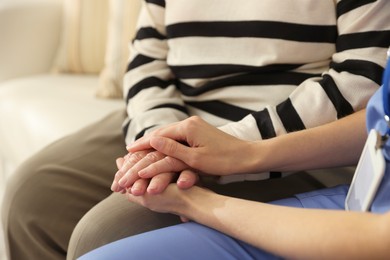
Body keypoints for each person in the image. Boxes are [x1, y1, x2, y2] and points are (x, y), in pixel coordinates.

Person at [2, 0, 389, 259]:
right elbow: (147, 58)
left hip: (291, 139)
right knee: (34, 198)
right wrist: (161, 141)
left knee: (107, 232)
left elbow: (361, 80)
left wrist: (234, 147)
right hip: (172, 119)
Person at [78, 82, 390, 259]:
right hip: (364, 193)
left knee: (103, 240)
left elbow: (379, 239)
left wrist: (195, 203)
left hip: (369, 232)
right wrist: (246, 154)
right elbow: (380, 121)